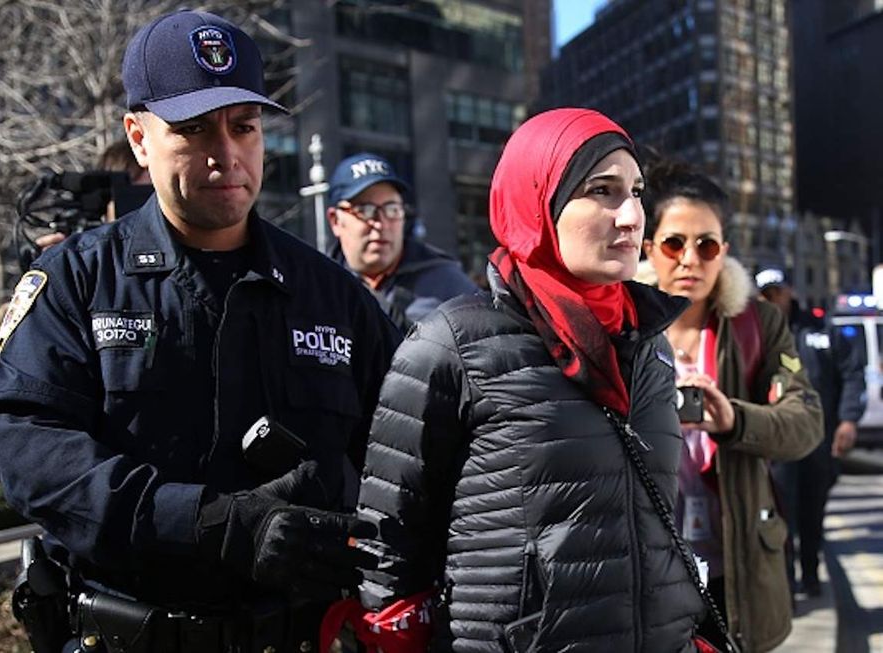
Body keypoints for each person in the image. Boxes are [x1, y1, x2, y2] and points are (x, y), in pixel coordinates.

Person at [0, 9, 400, 653]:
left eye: (244, 128)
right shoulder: (76, 281)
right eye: (193, 130)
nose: (225, 156)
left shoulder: (334, 296)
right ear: (138, 138)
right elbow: (36, 457)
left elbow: (408, 457)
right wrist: (208, 523)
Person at [353, 108, 705, 651]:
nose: (632, 215)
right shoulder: (452, 343)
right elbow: (388, 542)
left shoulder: (648, 340)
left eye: (635, 191)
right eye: (602, 190)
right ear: (536, 200)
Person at [638, 160, 822, 651]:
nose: (690, 260)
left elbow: (805, 421)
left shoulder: (757, 323)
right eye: (675, 243)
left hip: (737, 565)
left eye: (708, 244)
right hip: (645, 568)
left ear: (725, 252)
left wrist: (734, 419)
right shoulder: (621, 326)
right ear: (649, 247)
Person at [757, 267, 865, 598]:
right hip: (778, 444)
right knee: (781, 513)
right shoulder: (755, 334)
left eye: (778, 292)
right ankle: (786, 583)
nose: (774, 299)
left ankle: (811, 572)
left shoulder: (820, 331)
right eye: (767, 294)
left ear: (790, 291)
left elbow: (851, 374)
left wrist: (848, 421)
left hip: (819, 440)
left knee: (812, 511)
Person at [327, 152, 478, 332]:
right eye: (365, 210)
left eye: (392, 209)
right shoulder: (318, 286)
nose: (380, 223)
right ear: (335, 220)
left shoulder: (450, 286)